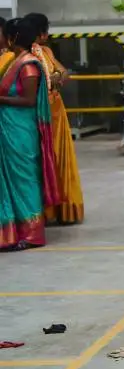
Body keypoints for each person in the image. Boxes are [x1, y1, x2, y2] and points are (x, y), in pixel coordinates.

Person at [0, 17, 60, 251]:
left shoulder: (28, 65)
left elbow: (28, 100)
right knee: (14, 180)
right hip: (10, 128)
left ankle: (33, 233)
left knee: (25, 179)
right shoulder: (15, 61)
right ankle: (16, 231)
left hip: (21, 131)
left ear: (13, 37)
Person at [25, 13, 85, 225]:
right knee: (42, 159)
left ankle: (64, 209)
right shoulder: (25, 56)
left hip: (56, 113)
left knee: (60, 158)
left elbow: (63, 72)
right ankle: (44, 211)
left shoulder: (46, 52)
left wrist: (54, 78)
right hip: (39, 114)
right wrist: (53, 79)